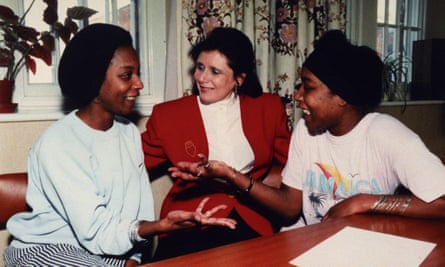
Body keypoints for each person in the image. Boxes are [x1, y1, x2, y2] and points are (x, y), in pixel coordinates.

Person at [3, 23, 236, 267]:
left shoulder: (128, 134)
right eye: (127, 75)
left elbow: (136, 211)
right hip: (46, 251)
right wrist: (158, 226)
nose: (139, 84)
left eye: (138, 74)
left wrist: (134, 258)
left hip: (103, 251)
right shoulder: (58, 144)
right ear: (94, 81)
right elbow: (95, 230)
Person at [169, 30, 445, 232]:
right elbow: (290, 206)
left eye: (308, 87)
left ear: (342, 96)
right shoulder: (305, 130)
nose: (298, 97)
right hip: (307, 243)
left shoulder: (387, 135)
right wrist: (232, 175)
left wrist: (363, 202)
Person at [141, 27, 291, 260]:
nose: (202, 78)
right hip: (193, 221)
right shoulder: (168, 116)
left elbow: (293, 168)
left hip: (250, 218)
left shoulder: (268, 108)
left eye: (215, 71)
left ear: (239, 79)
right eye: (200, 67)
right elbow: (131, 165)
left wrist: (258, 183)